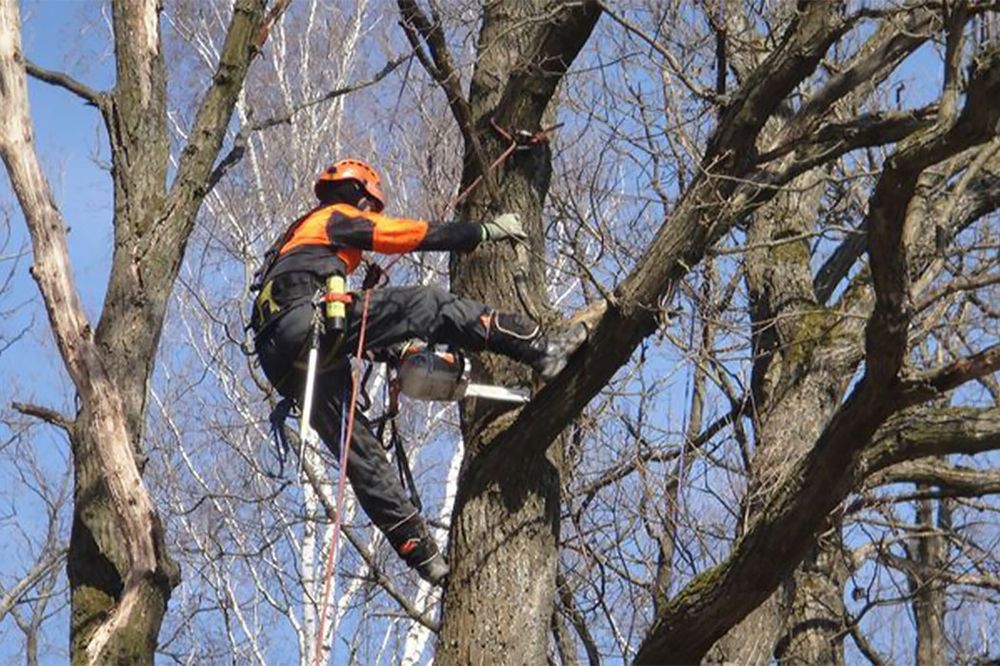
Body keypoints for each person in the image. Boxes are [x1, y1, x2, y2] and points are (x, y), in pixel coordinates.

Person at [250, 158, 587, 585]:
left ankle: (422, 554)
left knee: (360, 452)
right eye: (369, 207)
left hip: (282, 357)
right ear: (358, 196)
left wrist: (396, 348)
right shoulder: (334, 218)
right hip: (307, 322)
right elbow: (402, 236)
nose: (369, 217)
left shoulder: (293, 245)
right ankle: (539, 348)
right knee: (429, 304)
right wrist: (480, 233)